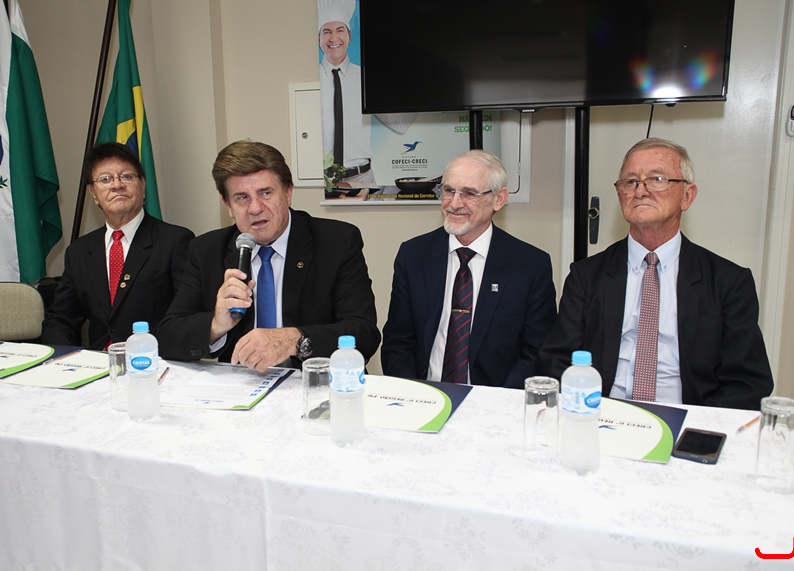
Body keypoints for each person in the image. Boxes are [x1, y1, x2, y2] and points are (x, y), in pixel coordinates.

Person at [540, 138, 773, 410]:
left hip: (689, 417)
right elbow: (556, 359)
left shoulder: (728, 282)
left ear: (687, 196)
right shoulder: (586, 276)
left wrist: (700, 427)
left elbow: (747, 382)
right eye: (630, 182)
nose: (641, 191)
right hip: (602, 414)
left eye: (657, 179)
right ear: (620, 195)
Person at [155, 140, 381, 371]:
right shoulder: (206, 250)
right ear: (228, 205)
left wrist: (292, 341)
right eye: (242, 197)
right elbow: (166, 337)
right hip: (242, 386)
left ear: (288, 192)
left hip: (315, 381)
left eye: (265, 193)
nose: (255, 208)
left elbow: (363, 333)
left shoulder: (337, 242)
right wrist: (215, 325)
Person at [381, 149, 557, 388]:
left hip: (497, 399)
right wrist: (413, 396)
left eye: (469, 193)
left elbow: (536, 352)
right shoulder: (413, 256)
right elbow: (397, 343)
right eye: (449, 190)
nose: (454, 204)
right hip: (425, 394)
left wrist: (497, 403)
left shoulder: (530, 266)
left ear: (499, 199)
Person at [42, 143, 194, 349]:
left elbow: (188, 315)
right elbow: (60, 319)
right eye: (105, 179)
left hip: (153, 361)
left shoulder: (175, 241)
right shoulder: (79, 251)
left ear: (143, 185)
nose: (117, 185)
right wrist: (65, 359)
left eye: (127, 177)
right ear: (93, 193)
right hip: (99, 363)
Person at [318, 0, 375, 193]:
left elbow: (399, 124)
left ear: (349, 36)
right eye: (326, 32)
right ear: (319, 39)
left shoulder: (367, 77)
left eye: (340, 30)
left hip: (362, 179)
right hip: (321, 181)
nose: (333, 38)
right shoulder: (312, 80)